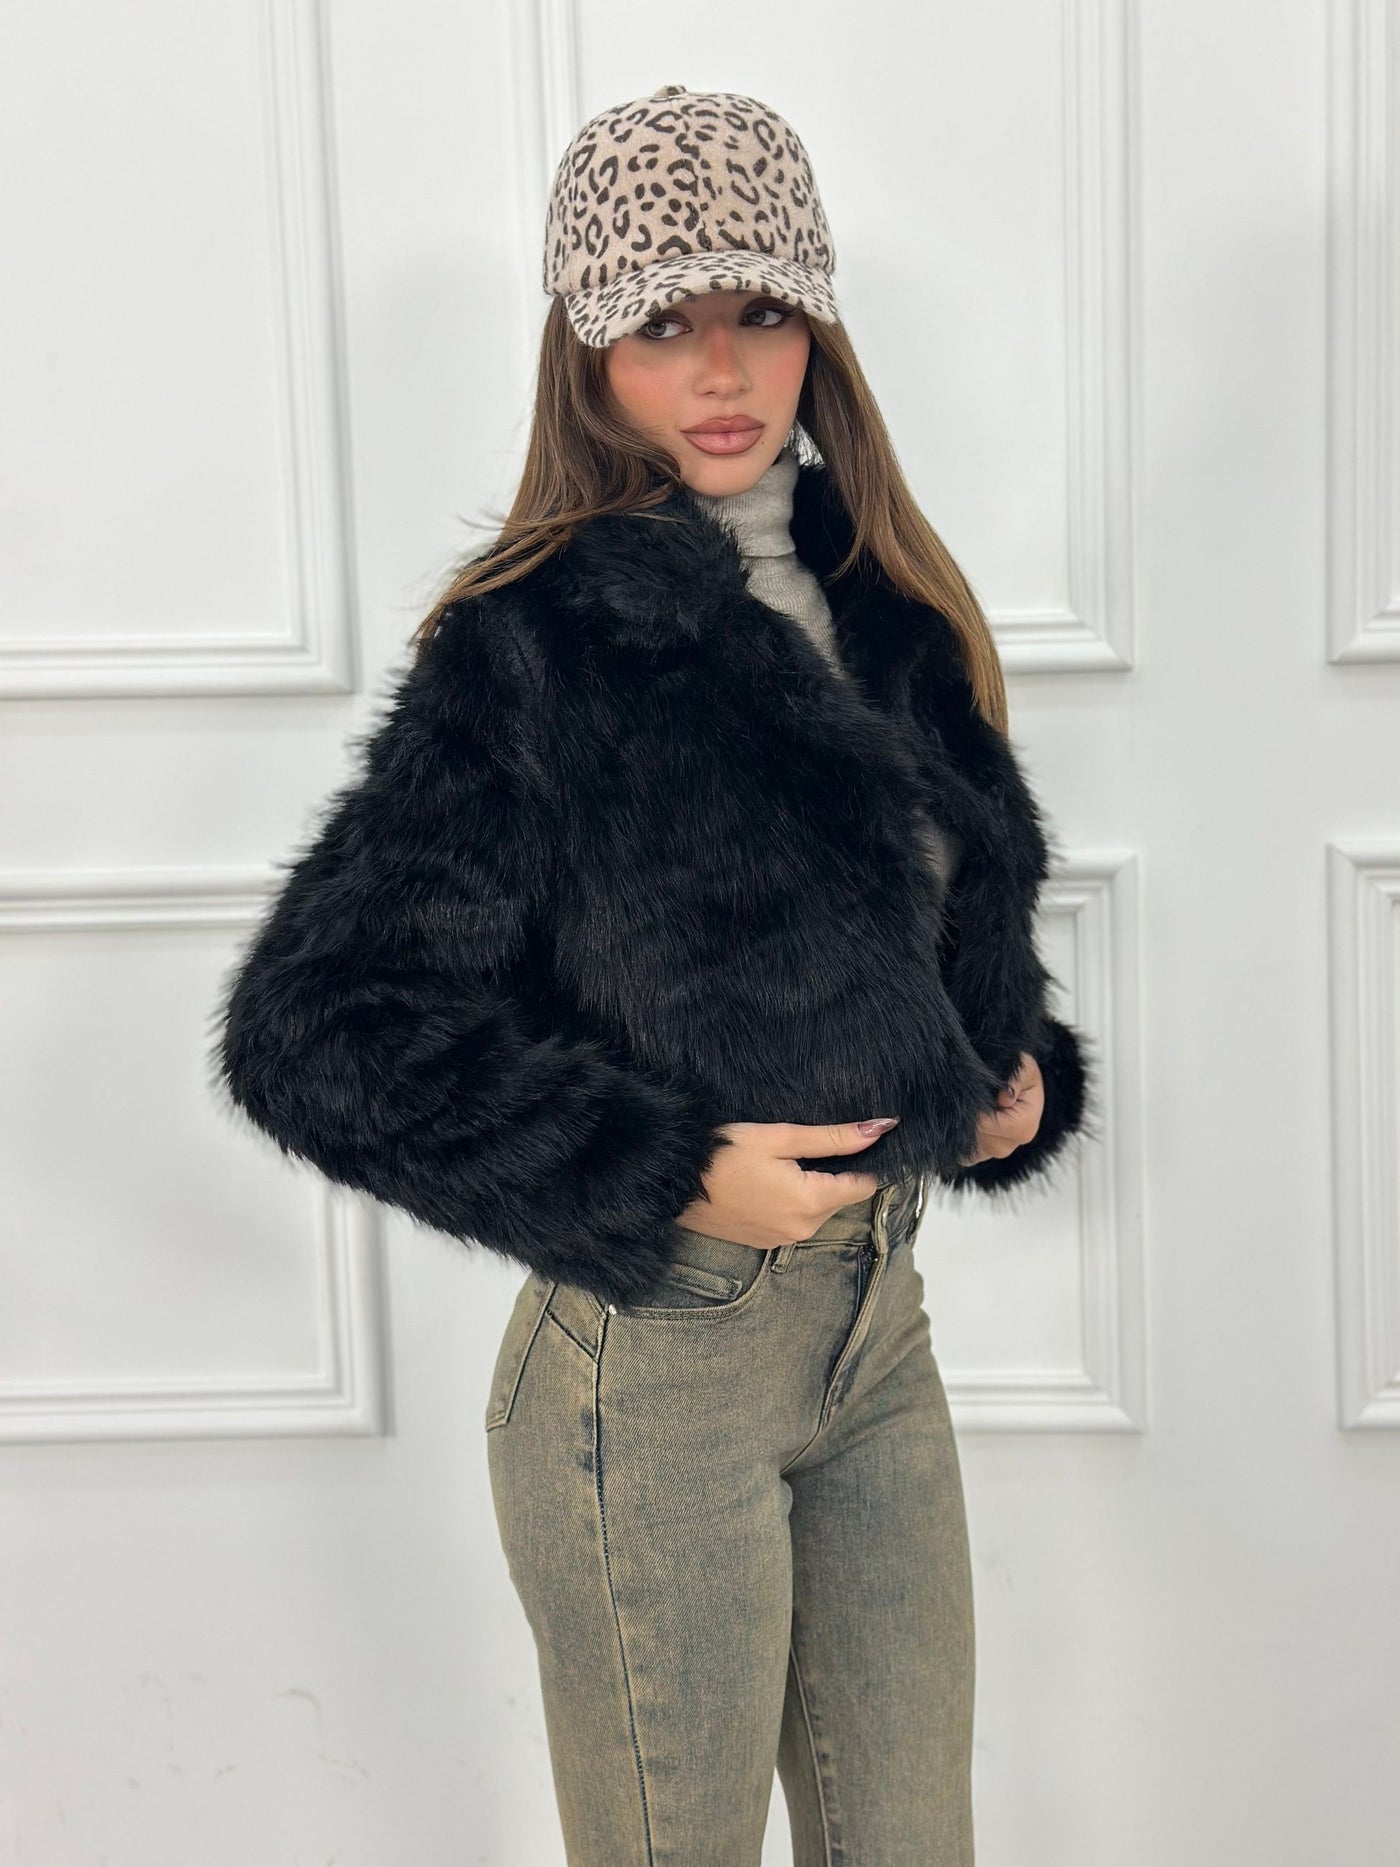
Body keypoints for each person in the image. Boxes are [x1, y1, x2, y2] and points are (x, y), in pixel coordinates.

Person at [213, 83, 1097, 1867]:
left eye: (760, 310)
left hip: (879, 1341)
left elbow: (909, 933)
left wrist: (1009, 1078)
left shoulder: (891, 605)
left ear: (818, 328)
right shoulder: (533, 644)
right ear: (589, 355)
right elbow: (315, 1029)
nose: (721, 370)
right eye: (661, 324)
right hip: (654, 1363)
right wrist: (670, 1169)